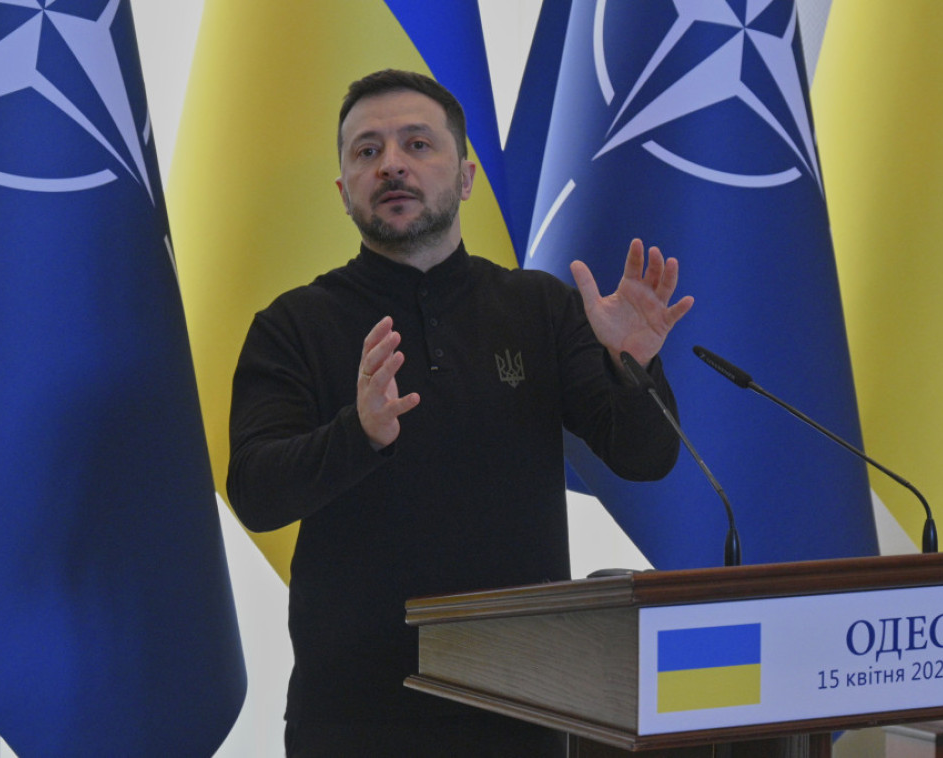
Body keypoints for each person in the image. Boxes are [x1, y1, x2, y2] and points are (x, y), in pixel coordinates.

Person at [227, 69, 694, 757]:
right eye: (366, 151)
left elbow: (645, 458)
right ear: (344, 191)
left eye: (418, 144)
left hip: (523, 706)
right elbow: (256, 492)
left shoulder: (540, 307)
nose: (391, 164)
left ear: (467, 177)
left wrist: (634, 368)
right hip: (356, 718)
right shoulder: (292, 325)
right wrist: (358, 434)